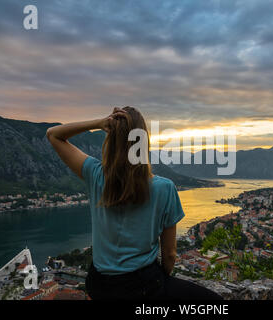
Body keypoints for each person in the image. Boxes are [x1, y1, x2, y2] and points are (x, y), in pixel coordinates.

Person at [46, 106, 223, 300]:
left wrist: (98, 123)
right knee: (216, 302)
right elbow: (170, 254)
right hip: (142, 285)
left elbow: (54, 134)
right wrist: (160, 281)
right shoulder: (164, 188)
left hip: (100, 285)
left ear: (111, 141)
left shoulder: (95, 175)